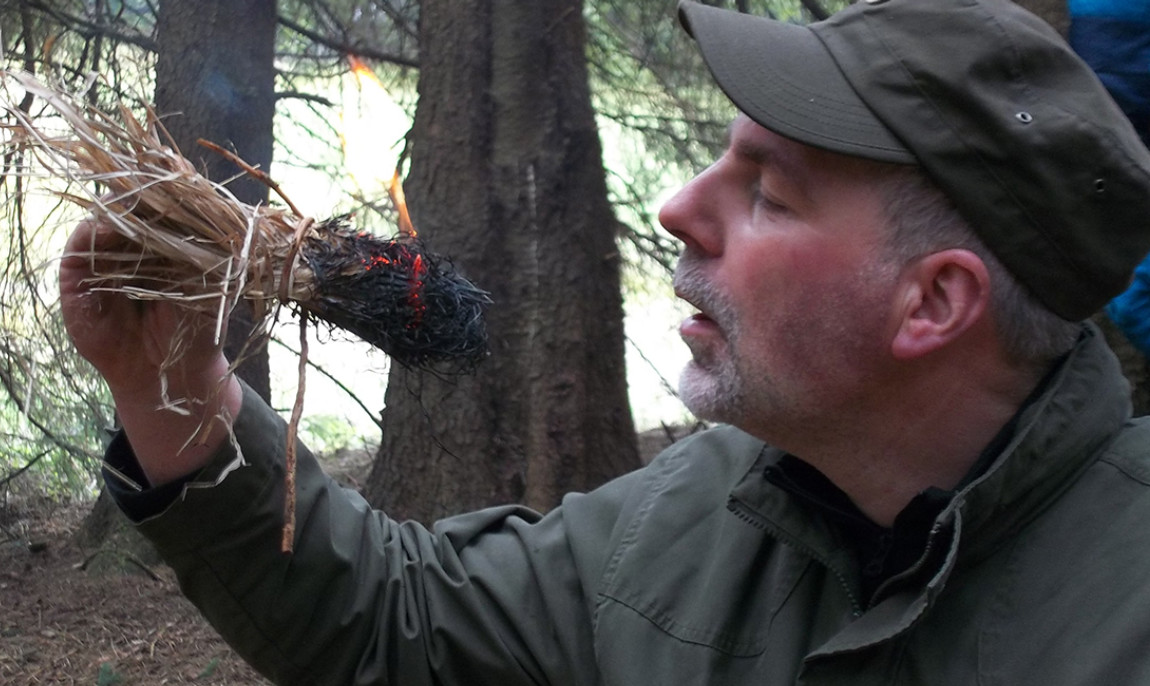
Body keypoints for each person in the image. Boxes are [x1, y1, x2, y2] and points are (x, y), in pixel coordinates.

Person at [59, 0, 1150, 683]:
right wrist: (177, 385)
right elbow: (402, 628)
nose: (677, 205)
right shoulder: (716, 500)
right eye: (720, 159)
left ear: (932, 303)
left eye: (766, 192)